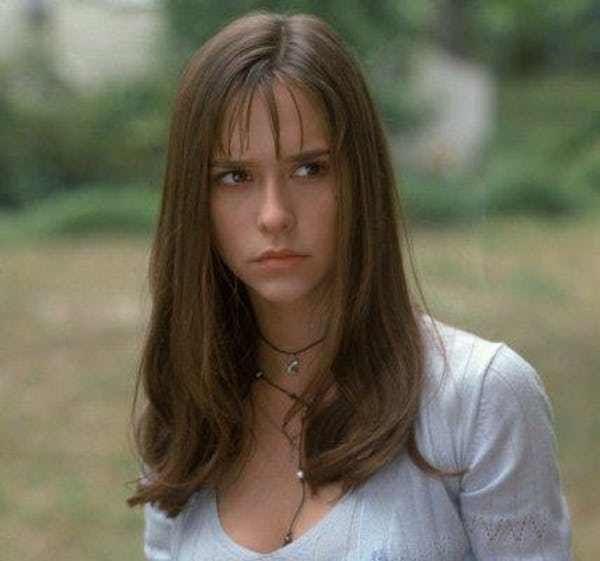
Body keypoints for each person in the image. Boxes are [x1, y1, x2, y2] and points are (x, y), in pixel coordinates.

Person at [126, 11, 572, 561]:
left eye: (310, 169)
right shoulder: (189, 418)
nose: (274, 215)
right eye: (235, 176)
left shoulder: (479, 399)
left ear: (361, 180)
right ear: (196, 201)